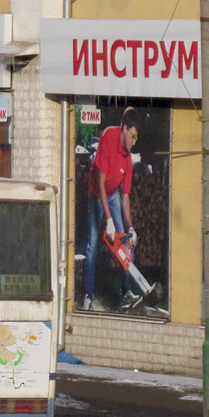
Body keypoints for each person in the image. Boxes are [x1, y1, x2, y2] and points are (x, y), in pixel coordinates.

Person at [79, 107, 140, 311]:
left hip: (112, 193)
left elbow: (125, 198)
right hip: (97, 192)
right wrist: (109, 220)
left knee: (123, 243)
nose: (133, 142)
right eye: (132, 136)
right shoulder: (108, 137)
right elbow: (101, 183)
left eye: (136, 139)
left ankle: (126, 291)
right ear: (124, 129)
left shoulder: (128, 158)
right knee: (94, 245)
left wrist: (130, 229)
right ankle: (88, 295)